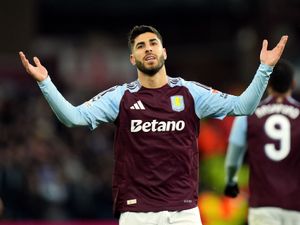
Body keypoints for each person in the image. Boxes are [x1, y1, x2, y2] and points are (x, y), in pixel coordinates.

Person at [19, 25, 288, 225]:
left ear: (164, 52)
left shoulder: (190, 93)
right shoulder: (121, 97)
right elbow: (73, 117)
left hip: (184, 212)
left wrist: (264, 68)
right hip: (137, 213)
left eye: (153, 43)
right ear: (132, 59)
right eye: (140, 45)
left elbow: (244, 106)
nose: (148, 48)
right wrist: (45, 82)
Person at [224, 59, 300, 224]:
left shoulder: (248, 114)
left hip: (263, 205)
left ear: (268, 84)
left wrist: (231, 181)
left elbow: (233, 157)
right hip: (296, 205)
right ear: (293, 84)